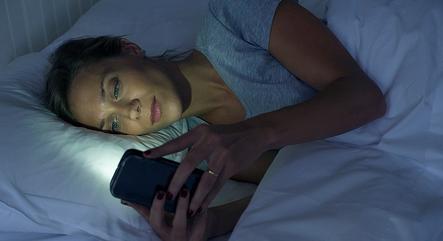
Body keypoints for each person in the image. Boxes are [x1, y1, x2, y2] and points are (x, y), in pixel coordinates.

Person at [44, 0, 386, 240]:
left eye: (114, 89)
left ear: (130, 51)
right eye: (114, 125)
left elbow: (364, 97)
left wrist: (256, 133)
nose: (129, 112)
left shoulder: (232, 17)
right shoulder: (203, 150)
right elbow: (304, 180)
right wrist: (210, 225)